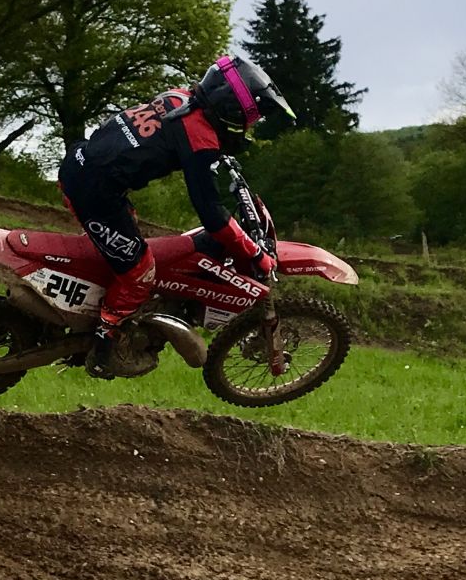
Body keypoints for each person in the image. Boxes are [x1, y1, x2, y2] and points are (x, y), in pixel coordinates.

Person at [59, 51, 295, 376]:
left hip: (81, 162)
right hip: (94, 190)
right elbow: (211, 215)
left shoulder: (178, 98)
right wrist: (254, 253)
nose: (249, 127)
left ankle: (90, 304)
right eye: (250, 119)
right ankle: (104, 346)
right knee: (140, 272)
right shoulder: (199, 137)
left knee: (126, 238)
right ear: (231, 109)